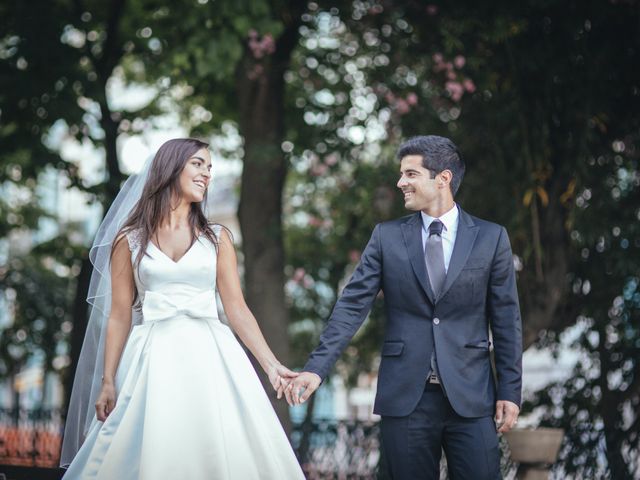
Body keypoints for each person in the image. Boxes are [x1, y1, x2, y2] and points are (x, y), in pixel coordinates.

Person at [60, 138, 304, 479]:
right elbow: (119, 314)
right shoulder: (128, 240)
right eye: (198, 164)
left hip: (211, 355)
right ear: (172, 168)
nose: (206, 174)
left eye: (210, 167)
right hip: (150, 356)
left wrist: (272, 365)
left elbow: (237, 309)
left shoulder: (217, 238)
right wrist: (108, 381)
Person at [287, 135, 522, 479]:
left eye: (411, 174)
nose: (401, 183)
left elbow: (506, 320)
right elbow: (352, 306)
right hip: (406, 397)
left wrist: (510, 391)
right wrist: (316, 368)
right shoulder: (387, 237)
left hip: (472, 396)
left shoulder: (491, 238)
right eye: (402, 174)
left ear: (442, 178)